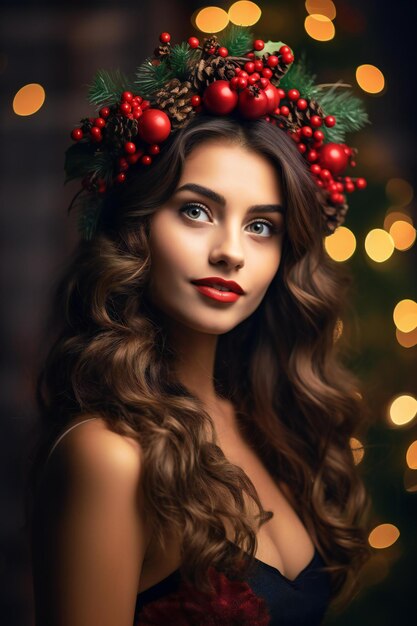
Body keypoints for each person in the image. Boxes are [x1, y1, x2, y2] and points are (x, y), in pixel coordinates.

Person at [27, 25, 372, 626]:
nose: (230, 251)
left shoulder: (269, 424)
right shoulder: (107, 456)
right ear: (138, 226)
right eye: (196, 211)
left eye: (261, 226)